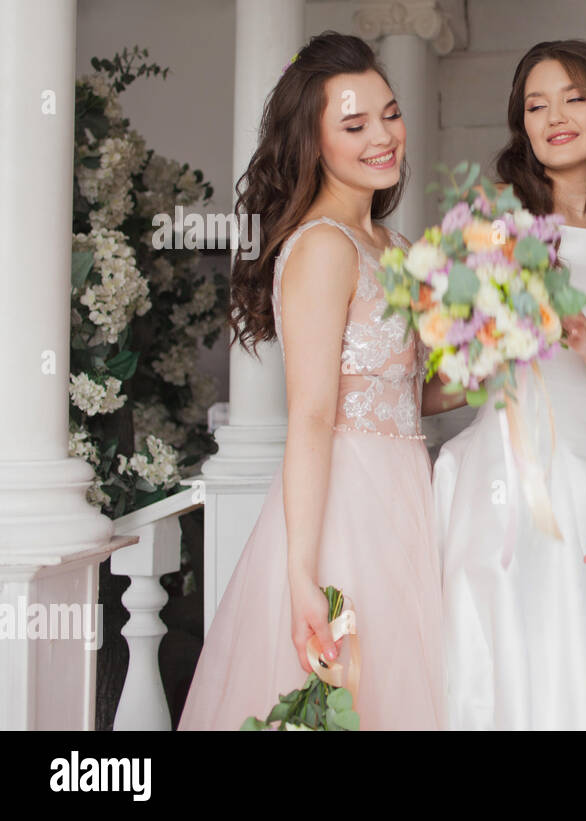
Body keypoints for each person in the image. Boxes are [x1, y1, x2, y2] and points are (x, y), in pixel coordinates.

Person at [179, 32, 452, 730]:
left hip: (408, 493)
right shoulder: (323, 246)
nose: (383, 136)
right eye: (354, 125)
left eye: (390, 114)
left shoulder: (396, 248)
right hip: (346, 505)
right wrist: (302, 573)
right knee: (353, 688)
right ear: (312, 141)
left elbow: (403, 399)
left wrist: (501, 355)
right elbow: (310, 414)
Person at [430, 40, 586, 730]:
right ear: (522, 123)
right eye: (536, 105)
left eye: (574, 98)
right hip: (509, 456)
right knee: (508, 636)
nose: (554, 116)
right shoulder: (495, 221)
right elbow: (448, 370)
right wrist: (496, 335)